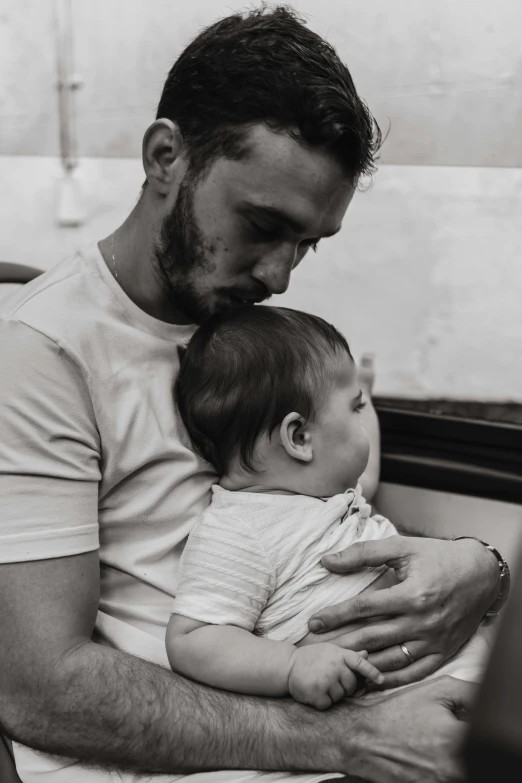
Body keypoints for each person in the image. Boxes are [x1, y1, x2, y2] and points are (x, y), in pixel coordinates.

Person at [0, 6, 506, 783]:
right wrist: (344, 739)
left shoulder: (255, 334)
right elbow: (39, 690)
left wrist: (481, 568)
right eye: (262, 224)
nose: (279, 274)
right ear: (166, 156)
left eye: (306, 243)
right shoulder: (44, 356)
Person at [167, 306, 495, 709]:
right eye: (354, 408)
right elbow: (192, 640)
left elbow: (366, 470)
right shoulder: (237, 530)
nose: (361, 419)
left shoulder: (331, 491)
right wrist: (290, 666)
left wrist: (364, 398)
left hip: (473, 673)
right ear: (300, 437)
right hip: (405, 705)